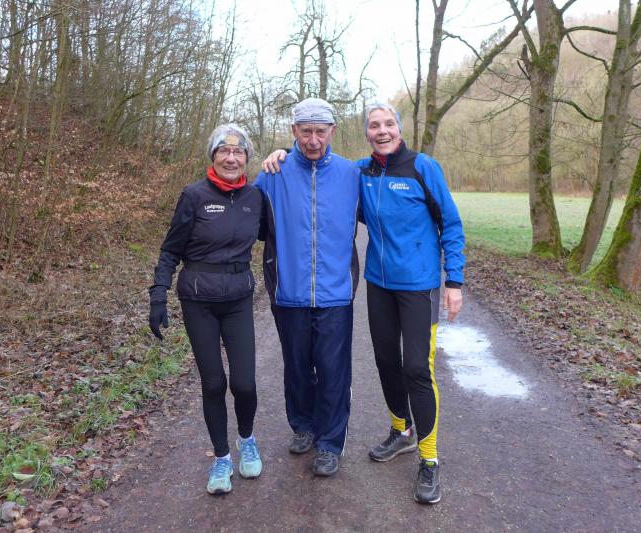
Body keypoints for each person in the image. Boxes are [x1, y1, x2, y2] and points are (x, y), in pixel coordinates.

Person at [262, 102, 465, 504]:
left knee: (416, 368)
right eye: (374, 125)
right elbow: (314, 170)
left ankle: (429, 459)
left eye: (389, 124)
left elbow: (451, 223)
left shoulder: (422, 167)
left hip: (419, 284)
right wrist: (282, 152)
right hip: (379, 283)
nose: (382, 131)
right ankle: (401, 431)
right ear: (366, 132)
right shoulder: (362, 172)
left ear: (399, 128)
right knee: (386, 362)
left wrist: (454, 280)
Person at [148, 124, 263, 496]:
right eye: (223, 151)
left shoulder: (255, 197)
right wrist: (158, 294)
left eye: (238, 152)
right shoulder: (194, 196)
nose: (231, 158)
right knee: (213, 383)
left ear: (246, 158)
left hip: (238, 299)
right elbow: (171, 249)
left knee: (244, 383)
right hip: (199, 301)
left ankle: (247, 439)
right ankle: (222, 458)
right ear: (213, 156)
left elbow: (279, 236)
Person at [254, 97, 360, 477]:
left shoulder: (351, 174)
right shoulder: (273, 174)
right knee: (297, 367)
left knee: (333, 371)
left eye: (320, 131)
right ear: (294, 131)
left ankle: (330, 443)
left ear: (332, 131)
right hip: (289, 292)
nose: (313, 140)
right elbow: (245, 218)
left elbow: (387, 215)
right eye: (306, 131)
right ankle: (303, 425)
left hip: (335, 293)